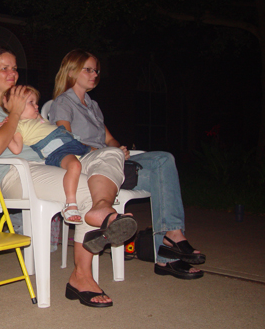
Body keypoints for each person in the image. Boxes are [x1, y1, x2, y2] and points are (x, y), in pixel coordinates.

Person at [0, 45, 138, 308]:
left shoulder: (28, 103)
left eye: (14, 67)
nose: (12, 72)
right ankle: (82, 275)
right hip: (17, 174)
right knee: (85, 191)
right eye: (4, 68)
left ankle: (102, 208)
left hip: (52, 164)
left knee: (111, 155)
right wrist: (14, 112)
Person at [50, 49, 206, 280]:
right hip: (88, 163)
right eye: (89, 69)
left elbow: (109, 138)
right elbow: (67, 140)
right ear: (72, 71)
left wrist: (118, 148)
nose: (95, 74)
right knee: (157, 176)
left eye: (97, 70)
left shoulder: (92, 105)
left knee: (164, 159)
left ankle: (172, 236)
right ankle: (167, 256)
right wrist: (105, 151)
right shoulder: (63, 103)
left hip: (109, 158)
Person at [1, 85, 91, 224]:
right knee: (74, 166)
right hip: (59, 151)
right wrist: (5, 129)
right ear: (16, 106)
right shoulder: (18, 125)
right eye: (31, 102)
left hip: (73, 144)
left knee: (102, 155)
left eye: (36, 102)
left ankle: (107, 194)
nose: (36, 105)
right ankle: (71, 204)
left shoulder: (38, 118)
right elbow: (16, 148)